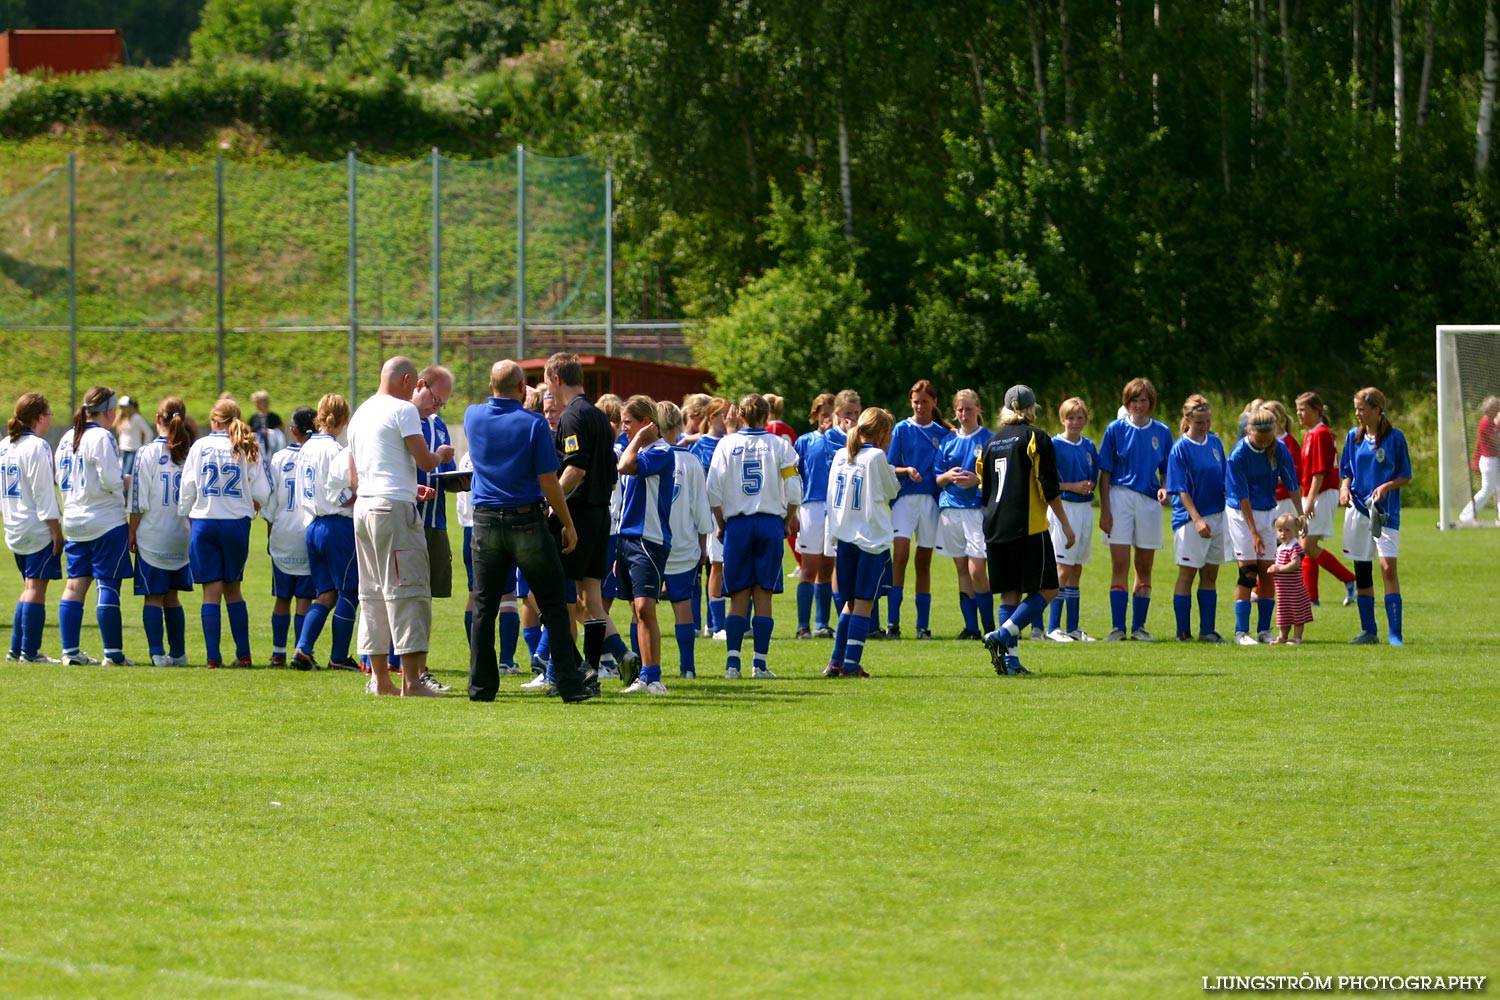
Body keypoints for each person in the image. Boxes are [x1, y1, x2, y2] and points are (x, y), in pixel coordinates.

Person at [465, 359, 594, 703]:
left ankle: (481, 687)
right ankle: (569, 684)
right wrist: (567, 523)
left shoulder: (472, 416)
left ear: (491, 387)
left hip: (485, 520)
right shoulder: (534, 423)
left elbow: (494, 401)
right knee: (552, 603)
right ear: (523, 390)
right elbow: (549, 481)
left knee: (484, 605)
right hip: (526, 520)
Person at [346, 357, 454, 696]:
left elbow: (354, 476)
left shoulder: (360, 412)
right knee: (408, 590)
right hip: (393, 510)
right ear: (409, 380)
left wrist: (408, 487)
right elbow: (424, 460)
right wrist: (442, 454)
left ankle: (380, 680)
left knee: (372, 593)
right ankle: (411, 681)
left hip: (364, 506)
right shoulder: (403, 410)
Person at [543, 352, 631, 682]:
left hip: (575, 515)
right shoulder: (598, 417)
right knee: (591, 600)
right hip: (600, 515)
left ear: (555, 380)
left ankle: (561, 672)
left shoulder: (572, 417)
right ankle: (592, 670)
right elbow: (610, 477)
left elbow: (575, 467)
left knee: (563, 601)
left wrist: (551, 502)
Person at [979, 385, 1075, 677]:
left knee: (1009, 593)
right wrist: (1066, 525)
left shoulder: (991, 442)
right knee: (1048, 588)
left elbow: (985, 490)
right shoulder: (1037, 437)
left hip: (995, 526)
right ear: (1033, 409)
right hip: (1027, 525)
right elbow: (1048, 486)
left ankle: (1010, 663)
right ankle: (1003, 634)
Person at [706, 393, 802, 679]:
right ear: (767, 415)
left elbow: (713, 490)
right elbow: (794, 489)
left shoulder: (727, 443)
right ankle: (759, 663)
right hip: (769, 522)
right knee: (764, 595)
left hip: (738, 524)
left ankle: (732, 664)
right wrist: (788, 518)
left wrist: (722, 523)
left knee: (737, 595)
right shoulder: (779, 445)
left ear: (741, 416)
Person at [180, 398, 271, 668]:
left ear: (214, 420)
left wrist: (185, 514)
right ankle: (243, 654)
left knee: (210, 592)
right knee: (234, 589)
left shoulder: (200, 446)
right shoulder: (245, 445)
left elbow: (187, 487)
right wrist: (251, 505)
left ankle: (212, 657)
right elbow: (262, 492)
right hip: (235, 523)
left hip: (205, 521)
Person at [55, 385, 133, 665]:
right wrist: (127, 482)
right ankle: (112, 654)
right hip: (104, 521)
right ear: (110, 411)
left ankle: (70, 652)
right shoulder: (102, 436)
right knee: (108, 585)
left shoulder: (67, 436)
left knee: (74, 585)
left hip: (74, 521)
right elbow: (111, 480)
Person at [824, 406, 901, 678]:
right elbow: (891, 490)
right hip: (870, 539)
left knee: (849, 603)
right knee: (865, 602)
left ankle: (835, 661)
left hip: (845, 537)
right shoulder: (876, 456)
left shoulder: (840, 455)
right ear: (881, 432)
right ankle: (850, 663)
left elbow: (830, 496)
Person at [1097, 377, 1173, 641]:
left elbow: (1166, 471)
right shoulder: (1114, 429)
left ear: (1151, 403)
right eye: (1134, 400)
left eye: (1144, 400)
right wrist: (1105, 510)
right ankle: (1118, 628)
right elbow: (1104, 472)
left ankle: (1139, 627)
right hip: (1119, 498)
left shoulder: (1162, 431)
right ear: (1126, 403)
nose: (1139, 405)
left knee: (1144, 565)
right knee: (1120, 564)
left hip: (1149, 502)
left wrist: (1165, 488)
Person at [290, 394, 359, 671]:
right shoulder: (336, 450)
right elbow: (340, 493)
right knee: (349, 592)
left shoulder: (305, 448)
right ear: (344, 420)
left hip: (313, 525)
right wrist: (361, 495)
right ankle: (339, 657)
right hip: (336, 525)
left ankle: (302, 648)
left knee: (325, 594)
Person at [1340, 387, 1412, 646]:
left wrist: (1385, 487)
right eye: (1356, 408)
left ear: (1377, 409)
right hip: (1358, 510)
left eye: (1362, 409)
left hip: (1384, 513)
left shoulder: (1395, 438)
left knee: (1387, 567)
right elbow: (1346, 470)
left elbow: (1405, 474)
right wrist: (1344, 487)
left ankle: (1395, 634)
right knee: (1362, 569)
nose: (1358, 413)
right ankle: (1369, 631)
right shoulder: (1353, 437)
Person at [1224, 404, 1301, 646]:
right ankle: (1241, 633)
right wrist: (1254, 532)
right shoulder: (1238, 455)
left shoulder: (1280, 449)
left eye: (1270, 438)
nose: (1266, 443)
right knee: (1248, 573)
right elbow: (1242, 496)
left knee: (1269, 572)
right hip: (1241, 513)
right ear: (1249, 431)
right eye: (1262, 439)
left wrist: (1301, 516)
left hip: (1268, 511)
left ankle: (1264, 631)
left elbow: (1291, 483)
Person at [615, 394, 676, 694]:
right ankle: (643, 676)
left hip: (649, 540)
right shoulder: (636, 449)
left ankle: (654, 677)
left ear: (646, 423)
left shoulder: (662, 451)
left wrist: (638, 438)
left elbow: (625, 466)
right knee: (635, 610)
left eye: (629, 422)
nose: (624, 428)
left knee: (645, 608)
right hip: (626, 539)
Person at [126, 397, 194, 666]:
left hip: (154, 534)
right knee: (173, 596)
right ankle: (179, 653)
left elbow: (138, 498)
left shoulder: (146, 453)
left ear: (158, 419)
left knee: (153, 596)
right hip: (181, 535)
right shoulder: (189, 451)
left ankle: (156, 652)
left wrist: (132, 530)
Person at [884, 379, 948, 639]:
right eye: (915, 402)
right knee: (899, 557)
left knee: (924, 562)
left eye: (924, 401)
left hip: (930, 502)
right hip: (905, 500)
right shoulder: (901, 429)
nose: (920, 406)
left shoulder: (943, 433)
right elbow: (888, 466)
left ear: (934, 402)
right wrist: (906, 470)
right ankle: (893, 623)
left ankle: (923, 626)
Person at [1, 393, 63, 663]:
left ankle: (16, 650)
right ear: (39, 417)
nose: (50, 419)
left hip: (14, 525)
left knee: (29, 586)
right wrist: (55, 528)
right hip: (35, 527)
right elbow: (43, 493)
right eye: (49, 415)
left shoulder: (5, 444)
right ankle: (29, 651)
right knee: (36, 588)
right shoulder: (37, 446)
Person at [1164, 395, 1228, 643]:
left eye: (1208, 421)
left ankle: (1207, 631)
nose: (1205, 426)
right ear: (1188, 420)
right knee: (1187, 575)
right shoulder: (1180, 448)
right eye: (1200, 421)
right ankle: (1183, 632)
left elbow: (1223, 477)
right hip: (1191, 520)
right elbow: (1180, 488)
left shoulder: (1215, 443)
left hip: (1217, 516)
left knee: (1210, 575)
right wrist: (1197, 519)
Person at [659, 400, 714, 678]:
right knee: (683, 606)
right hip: (683, 543)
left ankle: (646, 669)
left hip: (650, 543)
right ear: (679, 424)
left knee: (641, 609)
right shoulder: (690, 461)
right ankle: (687, 668)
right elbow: (701, 509)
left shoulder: (644, 457)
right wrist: (704, 545)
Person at [934, 389, 993, 641]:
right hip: (950, 509)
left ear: (978, 409)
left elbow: (998, 477)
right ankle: (971, 627)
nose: (964, 414)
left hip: (976, 510)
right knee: (962, 570)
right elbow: (937, 478)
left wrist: (978, 480)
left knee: (978, 569)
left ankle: (990, 626)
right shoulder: (948, 440)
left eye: (969, 409)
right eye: (960, 409)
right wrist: (948, 477)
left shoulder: (989, 439)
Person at [412, 364, 457, 694]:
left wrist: (459, 479)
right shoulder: (401, 418)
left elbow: (446, 468)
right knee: (402, 595)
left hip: (435, 522)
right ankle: (397, 666)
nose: (436, 407)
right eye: (435, 399)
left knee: (426, 597)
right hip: (406, 520)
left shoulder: (438, 425)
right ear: (420, 384)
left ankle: (418, 667)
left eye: (442, 403)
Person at [264, 406, 317, 667]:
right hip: (308, 532)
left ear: (292, 430)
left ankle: (277, 652)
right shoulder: (320, 455)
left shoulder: (279, 458)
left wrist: (269, 535)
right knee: (305, 598)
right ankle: (301, 649)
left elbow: (270, 503)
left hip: (283, 531)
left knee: (282, 597)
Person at [1294, 391, 1358, 606]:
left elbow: (1320, 472)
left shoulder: (1321, 433)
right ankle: (1311, 598)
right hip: (1313, 492)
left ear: (1317, 410)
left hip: (1320, 492)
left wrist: (1310, 499)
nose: (1299, 414)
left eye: (1303, 409)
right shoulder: (1311, 433)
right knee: (1306, 545)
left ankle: (1350, 579)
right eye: (1297, 410)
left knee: (1307, 546)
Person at [1045, 397, 1099, 642]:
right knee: (1062, 568)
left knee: (1076, 569)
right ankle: (1053, 627)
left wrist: (1087, 486)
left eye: (1080, 418)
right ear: (1062, 419)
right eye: (1070, 417)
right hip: (1062, 508)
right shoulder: (1053, 445)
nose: (1075, 422)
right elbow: (1044, 483)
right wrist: (1071, 486)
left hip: (1085, 509)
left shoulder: (1089, 446)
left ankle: (1073, 627)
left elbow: (1094, 475)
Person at [793, 393, 838, 640]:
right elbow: (793, 476)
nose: (828, 419)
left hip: (834, 509)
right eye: (824, 414)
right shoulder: (804, 441)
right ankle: (803, 625)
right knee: (808, 567)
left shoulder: (842, 442)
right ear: (816, 415)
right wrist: (793, 510)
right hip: (810, 506)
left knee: (828, 567)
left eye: (833, 414)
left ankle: (822, 623)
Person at [1266, 512, 1313, 644]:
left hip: (1295, 589)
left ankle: (1297, 637)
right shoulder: (1281, 548)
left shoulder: (1294, 547)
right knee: (1283, 613)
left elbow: (1295, 564)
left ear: (1296, 530)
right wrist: (1273, 567)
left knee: (1297, 613)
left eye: (1287, 530)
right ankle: (1282, 636)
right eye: (1280, 530)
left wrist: (1279, 568)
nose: (1283, 534)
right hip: (1283, 591)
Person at [1459, 395, 1500, 525]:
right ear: (1490, 409)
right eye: (1496, 407)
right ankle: (1466, 516)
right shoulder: (1485, 423)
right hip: (1489, 460)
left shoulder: (1492, 421)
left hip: (1494, 460)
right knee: (1487, 490)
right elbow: (1496, 440)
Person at [113, 395, 153, 493]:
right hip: (122, 450)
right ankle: (122, 495)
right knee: (121, 473)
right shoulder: (122, 418)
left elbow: (148, 433)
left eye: (125, 406)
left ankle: (126, 495)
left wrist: (144, 447)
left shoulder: (136, 418)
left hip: (133, 450)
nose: (123, 409)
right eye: (121, 407)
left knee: (127, 474)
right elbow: (114, 427)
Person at [249, 390, 286, 458]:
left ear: (265, 403)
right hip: (258, 451)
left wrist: (270, 433)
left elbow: (281, 433)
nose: (257, 405)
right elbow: (248, 433)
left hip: (273, 450)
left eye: (259, 402)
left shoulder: (275, 418)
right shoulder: (253, 418)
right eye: (256, 402)